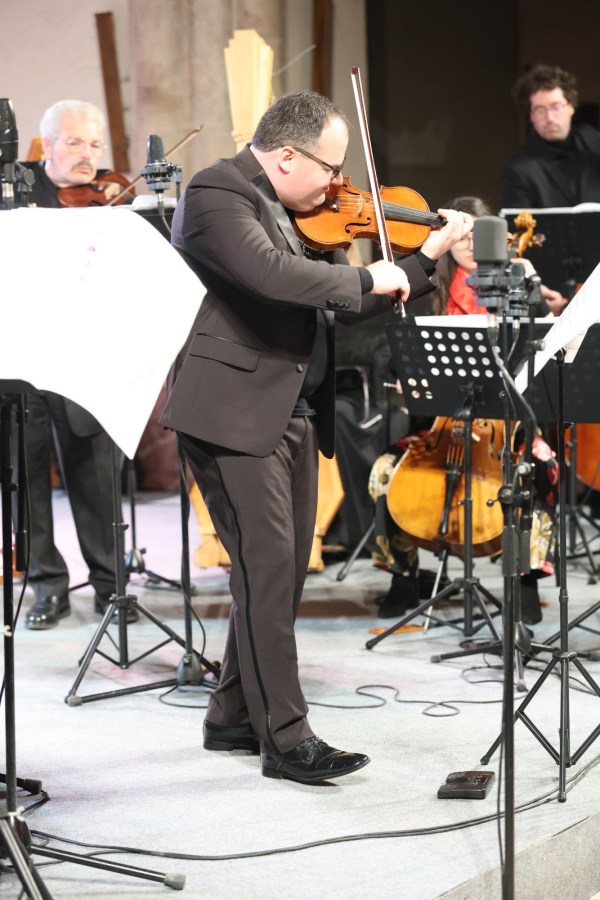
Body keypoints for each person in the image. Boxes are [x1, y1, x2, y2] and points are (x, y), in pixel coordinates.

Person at [159, 90, 473, 784]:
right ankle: (287, 739)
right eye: (330, 167)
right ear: (285, 156)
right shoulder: (218, 193)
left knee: (277, 574)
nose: (340, 184)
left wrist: (427, 258)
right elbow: (278, 278)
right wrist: (370, 271)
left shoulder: (301, 211)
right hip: (233, 415)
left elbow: (344, 292)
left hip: (293, 414)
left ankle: (232, 714)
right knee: (267, 568)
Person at [373, 196, 560, 626]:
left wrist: (530, 288)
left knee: (539, 467)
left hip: (504, 427)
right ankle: (403, 578)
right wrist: (408, 377)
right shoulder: (425, 290)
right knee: (384, 472)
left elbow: (545, 343)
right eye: (461, 234)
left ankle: (524, 580)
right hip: (442, 426)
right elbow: (388, 351)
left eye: (479, 233)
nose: (471, 243)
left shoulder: (517, 279)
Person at [17, 99, 137, 629]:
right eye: (74, 143)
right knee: (25, 474)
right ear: (46, 146)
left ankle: (112, 587)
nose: (88, 156)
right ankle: (46, 586)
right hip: (21, 352)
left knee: (95, 472)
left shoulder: (111, 197)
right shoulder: (16, 186)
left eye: (95, 144)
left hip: (87, 352)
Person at [500, 63, 600, 209]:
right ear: (531, 115)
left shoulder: (592, 141)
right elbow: (519, 229)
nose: (550, 118)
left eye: (556, 107)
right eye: (540, 110)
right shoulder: (517, 170)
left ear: (570, 106)